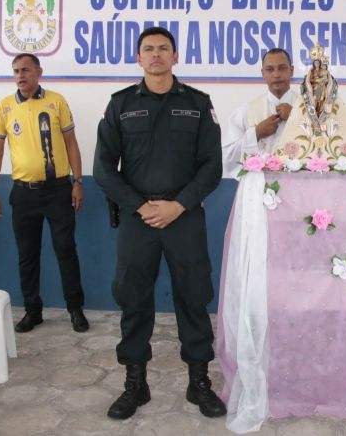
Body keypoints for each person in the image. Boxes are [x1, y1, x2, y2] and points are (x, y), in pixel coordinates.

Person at [93, 26, 226, 421]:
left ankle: (198, 382)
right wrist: (140, 206)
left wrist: (179, 204)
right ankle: (136, 383)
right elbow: (103, 169)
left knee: (194, 296)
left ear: (175, 56)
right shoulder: (120, 105)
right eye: (148, 49)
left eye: (163, 49)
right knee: (133, 298)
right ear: (138, 58)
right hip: (139, 219)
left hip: (184, 217)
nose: (155, 55)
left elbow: (212, 166)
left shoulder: (198, 104)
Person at [0, 54, 88, 334]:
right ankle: (33, 310)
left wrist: (78, 181)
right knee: (27, 255)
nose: (21, 75)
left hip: (58, 191)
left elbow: (72, 145)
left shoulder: (56, 101)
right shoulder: (4, 108)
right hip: (23, 194)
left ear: (38, 72)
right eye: (16, 71)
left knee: (66, 250)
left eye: (26, 70)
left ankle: (75, 308)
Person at [274, 42, 346, 161]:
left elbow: (326, 80)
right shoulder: (311, 76)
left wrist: (323, 82)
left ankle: (320, 117)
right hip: (313, 93)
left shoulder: (323, 72)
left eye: (318, 63)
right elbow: (310, 82)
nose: (317, 65)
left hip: (322, 92)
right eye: (315, 63)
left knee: (323, 108)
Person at [221, 47, 297, 176]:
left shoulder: (308, 109)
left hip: (299, 190)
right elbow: (228, 157)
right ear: (263, 73)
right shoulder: (246, 112)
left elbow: (325, 148)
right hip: (258, 191)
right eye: (270, 69)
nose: (276, 74)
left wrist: (296, 116)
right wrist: (256, 133)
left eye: (282, 68)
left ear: (291, 71)